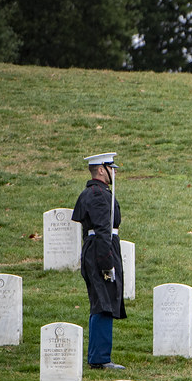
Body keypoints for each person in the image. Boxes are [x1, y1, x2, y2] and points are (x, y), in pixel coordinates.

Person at [72, 152, 126, 369]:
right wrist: (107, 263)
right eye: (110, 168)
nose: (114, 172)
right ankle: (100, 358)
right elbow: (103, 231)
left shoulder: (95, 192)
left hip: (95, 248)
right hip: (101, 250)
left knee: (101, 302)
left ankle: (98, 356)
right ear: (102, 170)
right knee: (104, 303)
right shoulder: (98, 195)